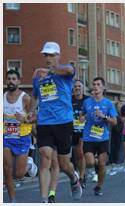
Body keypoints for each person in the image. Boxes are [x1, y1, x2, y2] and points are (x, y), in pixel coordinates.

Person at [29, 41, 82, 202]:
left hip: (63, 122)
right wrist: (31, 112)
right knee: (45, 156)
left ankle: (73, 178)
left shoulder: (64, 73)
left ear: (58, 55)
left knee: (64, 163)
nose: (49, 57)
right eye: (46, 55)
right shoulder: (39, 77)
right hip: (45, 122)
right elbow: (35, 96)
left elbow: (70, 69)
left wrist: (51, 70)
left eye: (52, 54)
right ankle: (44, 199)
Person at [80, 77, 118, 196]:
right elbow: (82, 114)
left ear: (103, 88)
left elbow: (115, 122)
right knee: (90, 162)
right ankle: (93, 167)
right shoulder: (87, 102)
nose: (95, 87)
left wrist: (104, 116)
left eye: (98, 84)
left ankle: (99, 186)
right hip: (89, 137)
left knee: (102, 163)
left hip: (103, 137)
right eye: (94, 84)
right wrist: (82, 118)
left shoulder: (108, 104)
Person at [4, 70, 33, 203]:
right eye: (9, 79)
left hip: (22, 138)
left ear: (19, 81)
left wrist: (25, 118)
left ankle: (31, 165)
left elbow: (35, 117)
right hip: (6, 138)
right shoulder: (2, 97)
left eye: (14, 79)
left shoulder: (25, 98)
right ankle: (12, 200)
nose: (11, 81)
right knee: (7, 169)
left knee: (19, 174)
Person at [72, 80, 88, 188]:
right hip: (72, 130)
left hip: (84, 130)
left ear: (83, 88)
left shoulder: (88, 100)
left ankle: (81, 178)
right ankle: (81, 171)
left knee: (81, 153)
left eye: (79, 86)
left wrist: (85, 117)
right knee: (77, 154)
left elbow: (92, 112)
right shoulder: (69, 100)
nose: (77, 88)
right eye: (75, 86)